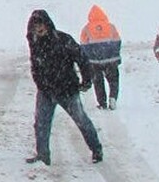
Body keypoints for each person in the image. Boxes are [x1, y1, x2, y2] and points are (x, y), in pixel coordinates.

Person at [25, 9, 103, 166]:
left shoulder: (63, 39)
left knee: (81, 120)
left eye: (41, 24)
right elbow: (35, 66)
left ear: (48, 24)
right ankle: (43, 155)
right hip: (46, 91)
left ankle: (96, 149)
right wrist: (39, 82)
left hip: (67, 90)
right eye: (35, 26)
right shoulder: (34, 42)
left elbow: (82, 59)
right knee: (41, 123)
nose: (39, 29)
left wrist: (86, 80)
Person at [80, 4, 122, 110]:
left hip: (94, 62)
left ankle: (102, 103)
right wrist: (115, 55)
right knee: (113, 81)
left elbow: (83, 46)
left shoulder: (86, 28)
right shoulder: (111, 27)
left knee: (98, 83)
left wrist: (88, 59)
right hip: (111, 61)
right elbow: (117, 42)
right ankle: (113, 97)